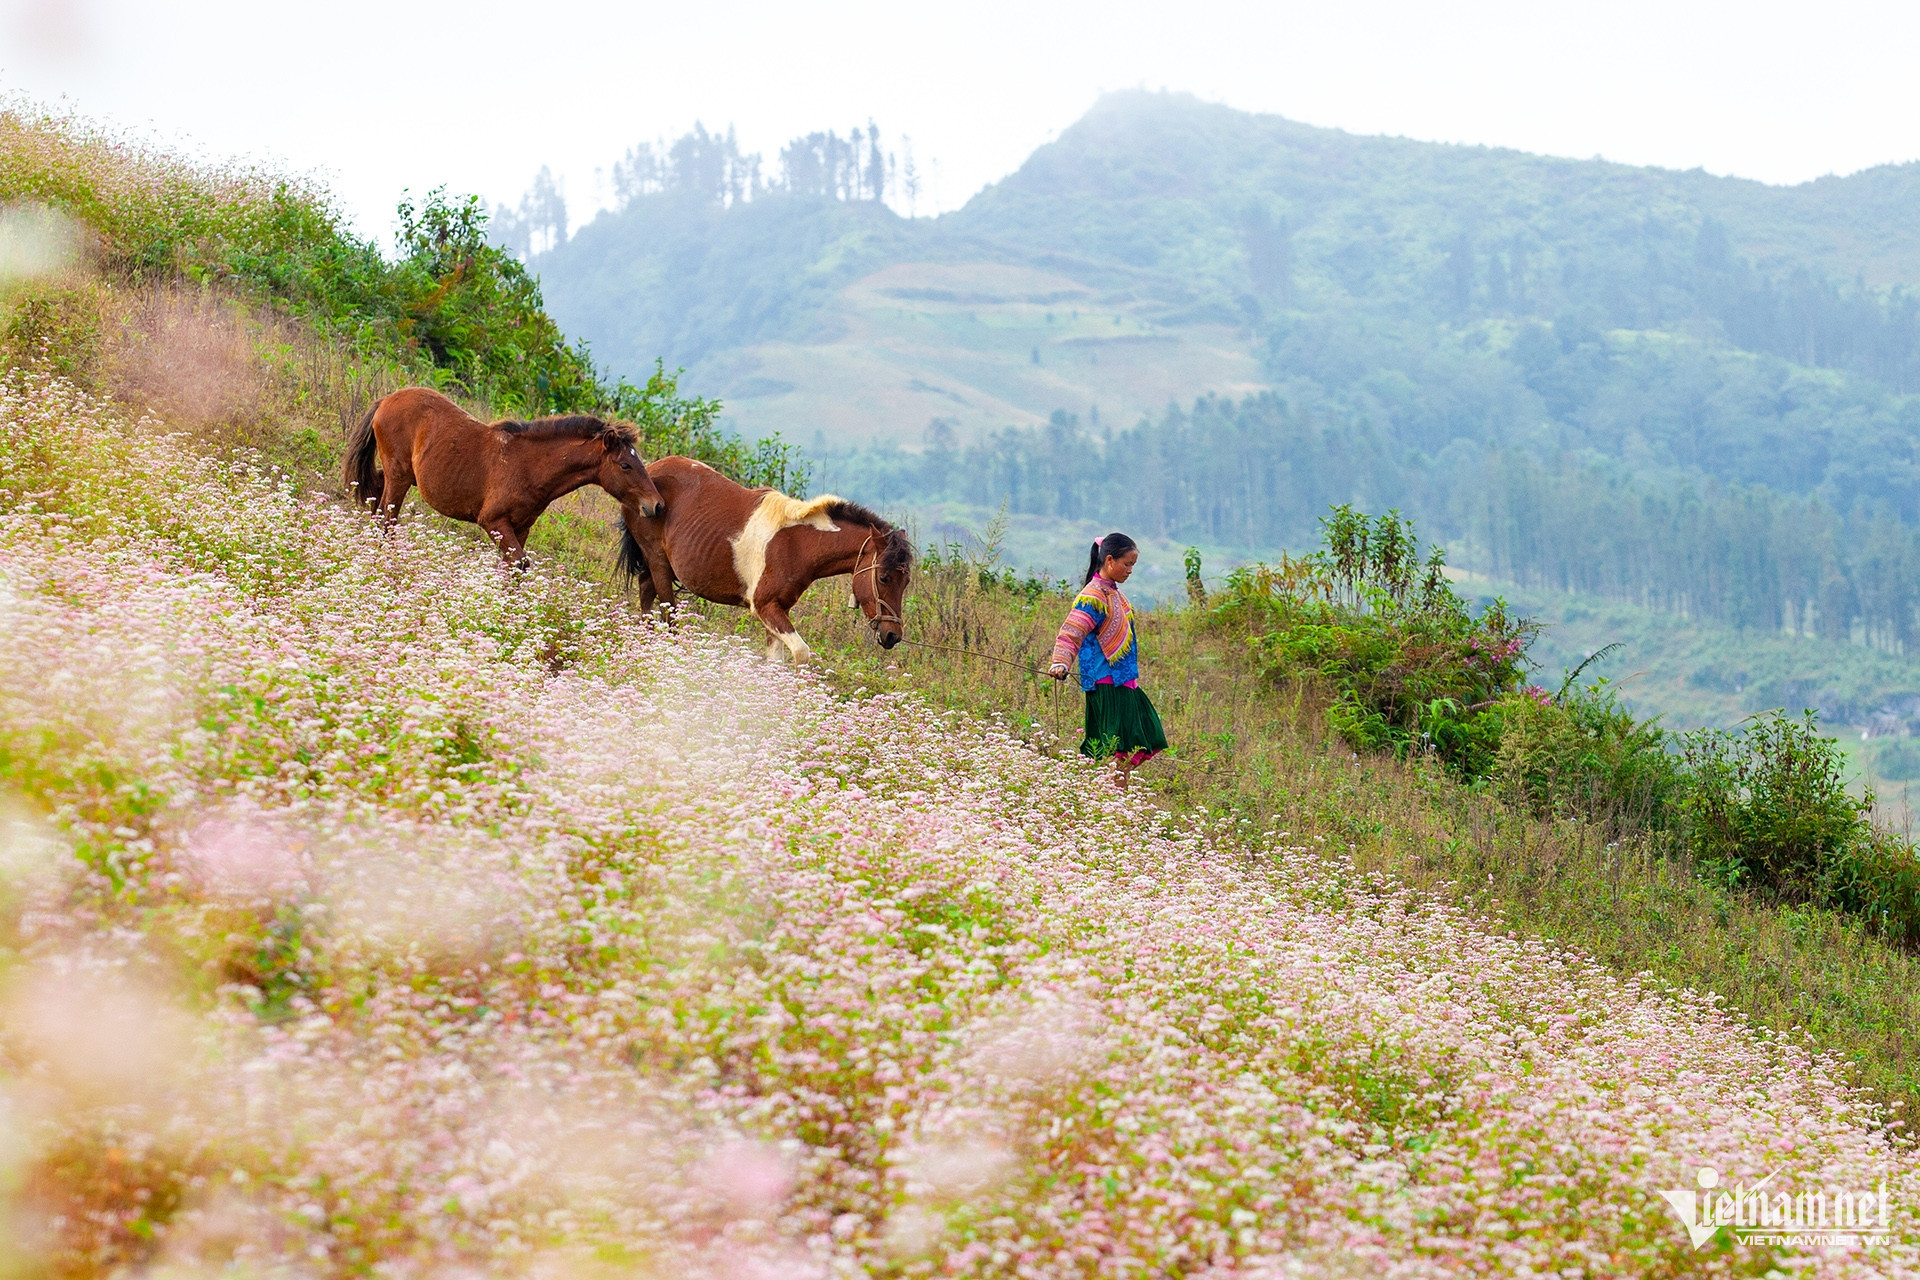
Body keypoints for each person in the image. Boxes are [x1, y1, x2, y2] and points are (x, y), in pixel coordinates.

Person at [1048, 532, 1168, 789]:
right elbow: (1071, 632)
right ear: (1110, 560)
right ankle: (1113, 793)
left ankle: (1111, 790)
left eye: (1133, 565)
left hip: (1124, 680)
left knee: (1148, 737)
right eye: (1127, 564)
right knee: (1121, 747)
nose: (1130, 570)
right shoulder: (1092, 596)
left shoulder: (1114, 594)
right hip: (1105, 682)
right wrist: (1061, 662)